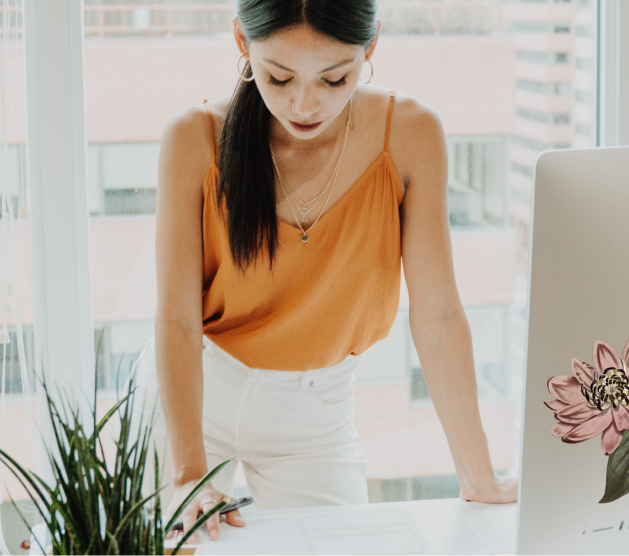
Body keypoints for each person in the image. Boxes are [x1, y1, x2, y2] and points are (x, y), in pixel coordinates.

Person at [135, 0, 517, 544]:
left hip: (315, 411)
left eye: (335, 78)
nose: (305, 104)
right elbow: (175, 318)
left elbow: (437, 314)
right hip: (194, 393)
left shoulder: (410, 134)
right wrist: (187, 475)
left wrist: (479, 475)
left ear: (371, 49)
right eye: (279, 77)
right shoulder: (193, 137)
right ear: (242, 43)